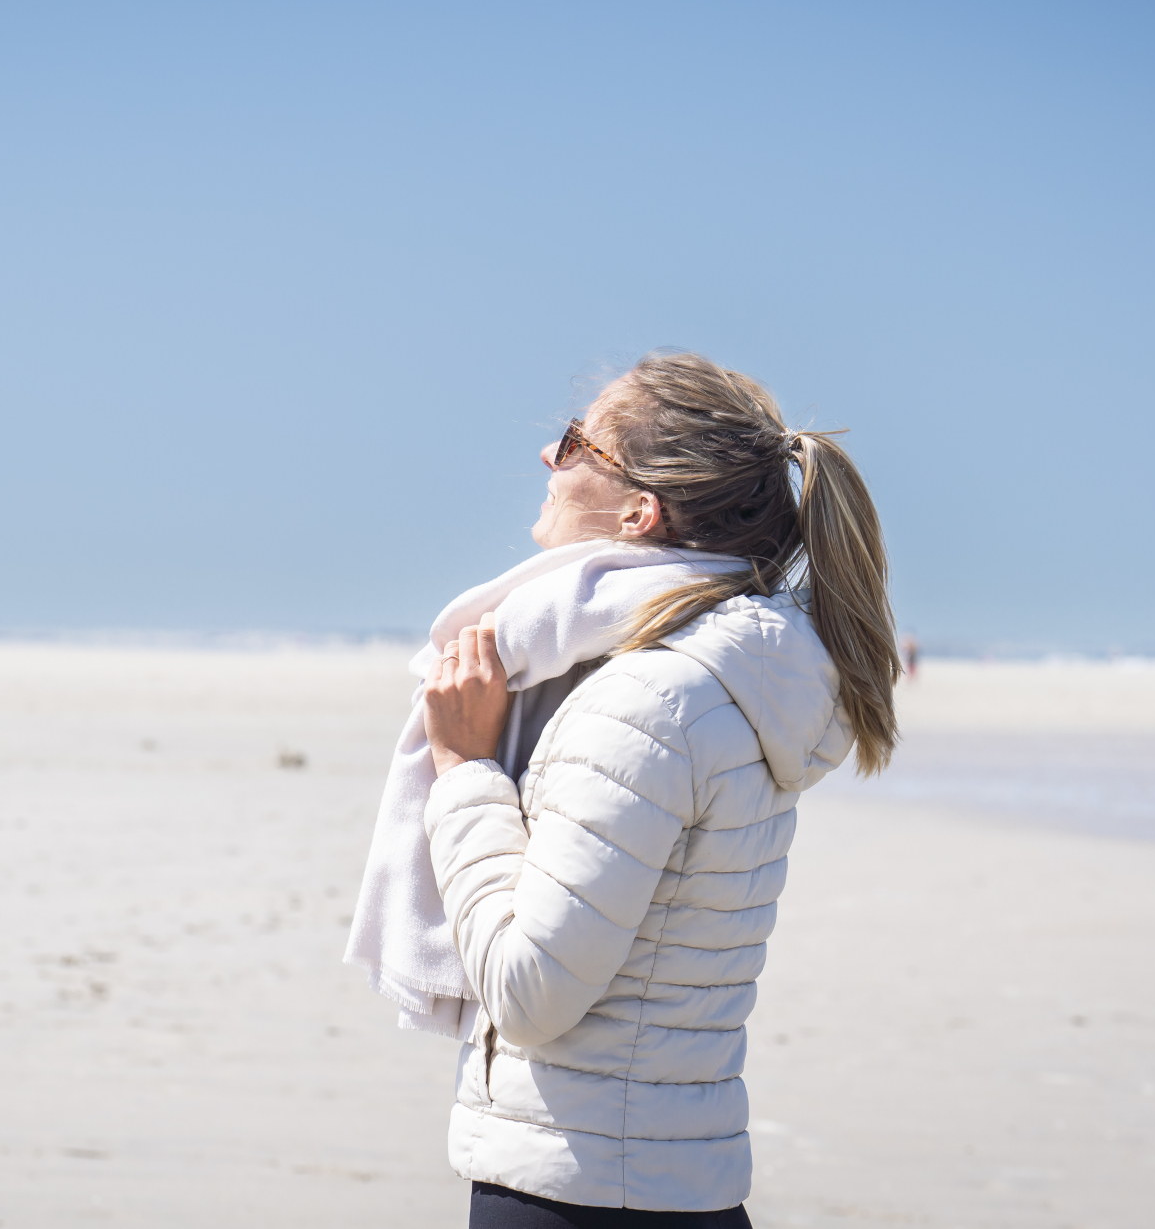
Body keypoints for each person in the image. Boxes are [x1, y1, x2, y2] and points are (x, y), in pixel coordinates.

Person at [346, 352, 899, 1226]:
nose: (546, 459)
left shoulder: (650, 700)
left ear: (640, 513)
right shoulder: (710, 674)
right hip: (661, 1179)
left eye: (574, 443)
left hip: (581, 1193)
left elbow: (531, 991)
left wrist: (465, 769)